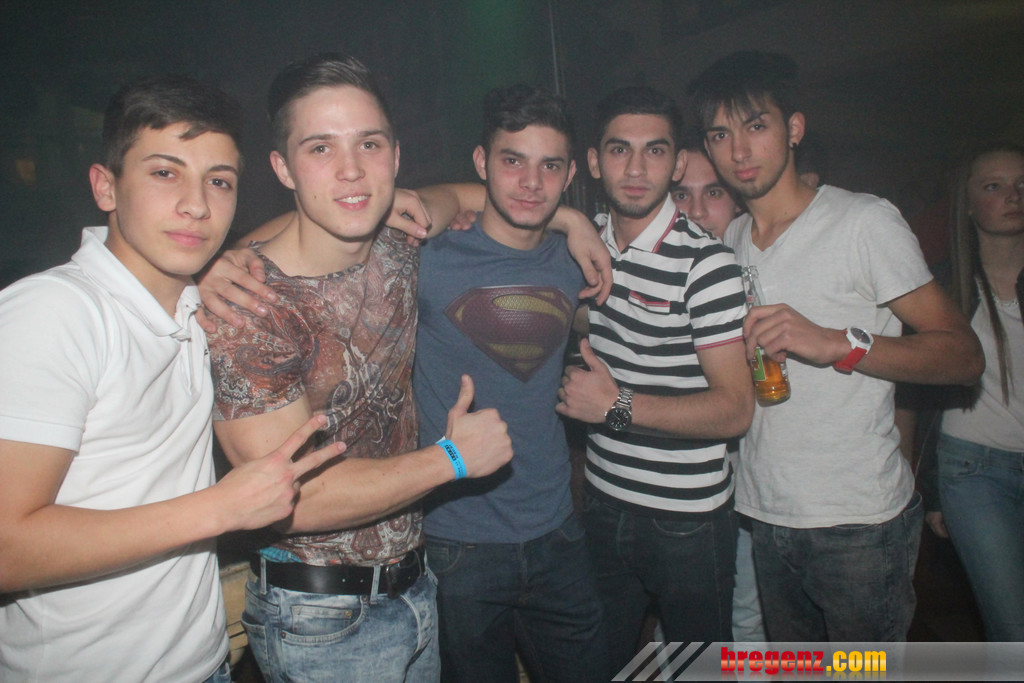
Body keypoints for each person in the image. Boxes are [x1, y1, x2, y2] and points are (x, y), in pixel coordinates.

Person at [0, 75, 343, 682]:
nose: (197, 205)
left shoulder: (192, 306)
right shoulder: (56, 313)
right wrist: (221, 507)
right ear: (106, 186)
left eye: (219, 181)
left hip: (204, 663)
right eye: (165, 173)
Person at [204, 55, 514, 683]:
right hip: (318, 618)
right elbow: (290, 498)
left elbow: (472, 195)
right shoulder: (249, 308)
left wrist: (571, 222)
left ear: (395, 157)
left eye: (368, 144)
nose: (351, 169)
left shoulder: (399, 235)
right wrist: (454, 458)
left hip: (416, 586)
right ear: (283, 168)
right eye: (321, 148)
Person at [688, 50, 983, 641]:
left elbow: (962, 355)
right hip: (765, 512)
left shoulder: (863, 222)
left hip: (858, 522)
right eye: (720, 134)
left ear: (794, 128)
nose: (739, 150)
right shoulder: (732, 240)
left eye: (755, 126)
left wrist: (836, 343)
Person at [411, 85, 606, 682]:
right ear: (481, 162)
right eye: (512, 160)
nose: (531, 182)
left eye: (550, 166)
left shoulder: (576, 260)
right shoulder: (427, 258)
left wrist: (572, 221)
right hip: (457, 543)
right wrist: (230, 262)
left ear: (570, 174)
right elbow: (336, 228)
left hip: (558, 530)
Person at [555, 85, 753, 671]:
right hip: (602, 501)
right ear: (594, 161)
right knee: (599, 665)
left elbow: (735, 410)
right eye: (620, 150)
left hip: (687, 521)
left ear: (677, 163)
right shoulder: (580, 245)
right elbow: (483, 205)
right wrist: (566, 218)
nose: (637, 169)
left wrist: (615, 406)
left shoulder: (707, 266)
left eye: (655, 151)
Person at [933, 142, 1024, 641]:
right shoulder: (941, 287)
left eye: (1022, 184)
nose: (1013, 195)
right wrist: (928, 492)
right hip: (975, 471)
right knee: (1012, 630)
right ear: (967, 203)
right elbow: (913, 396)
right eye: (995, 186)